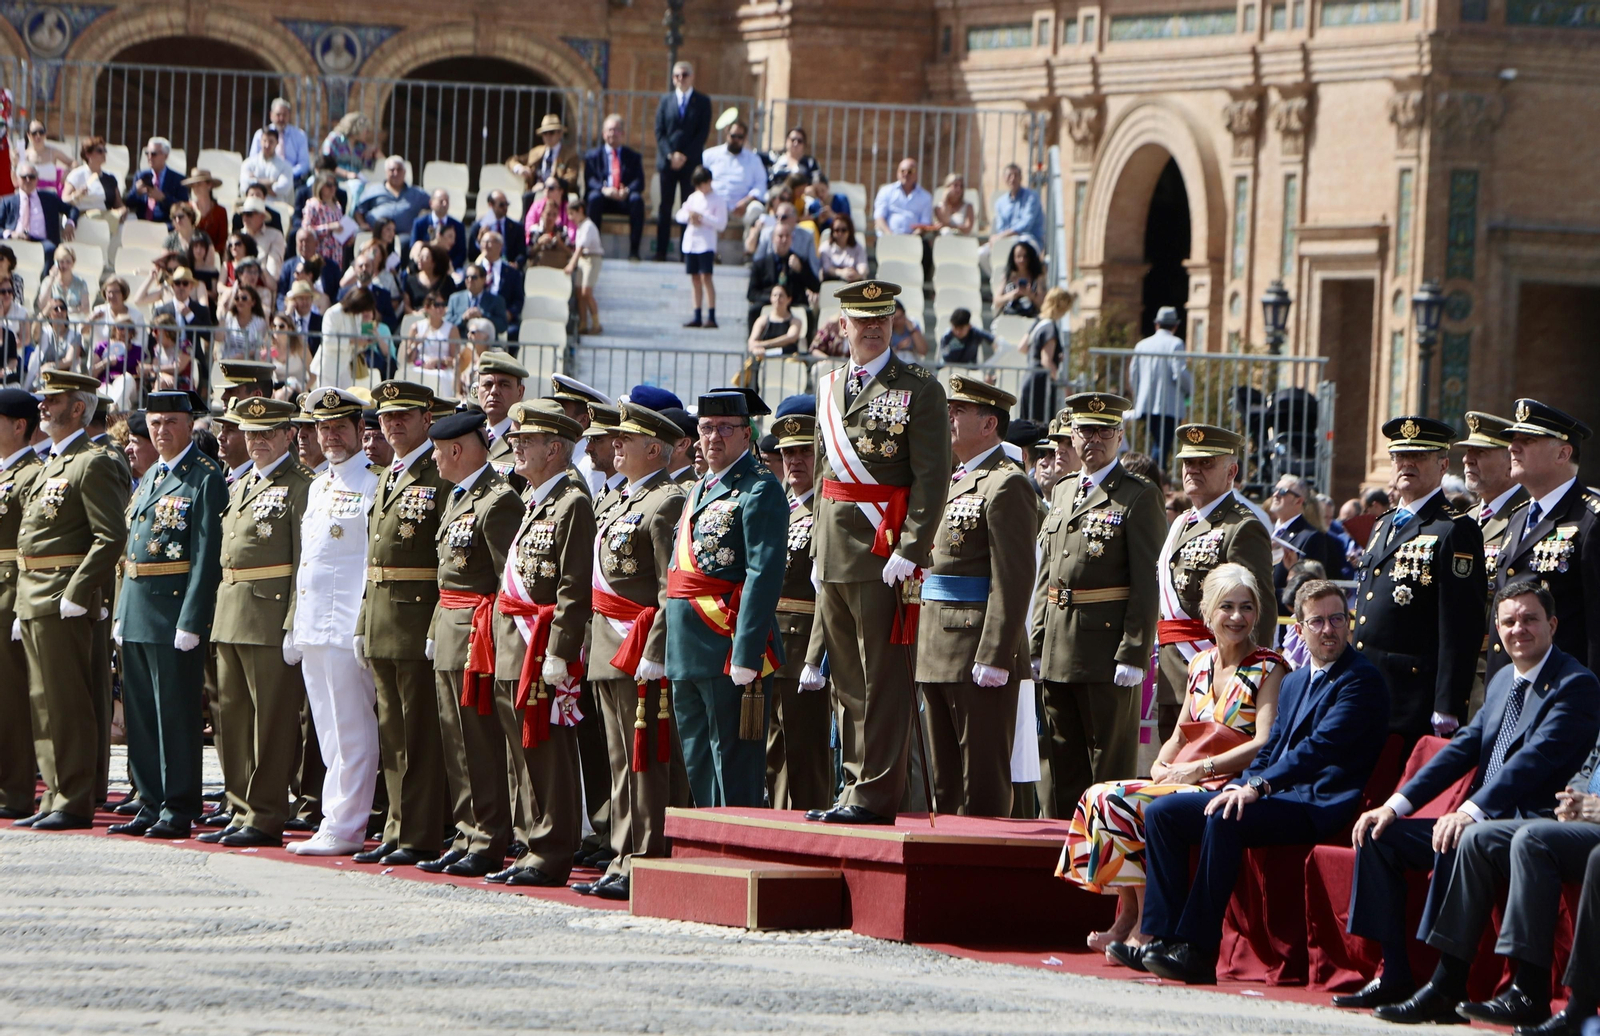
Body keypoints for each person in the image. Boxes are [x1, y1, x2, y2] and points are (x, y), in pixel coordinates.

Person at [1342, 579, 1600, 1021]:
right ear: (1496, 630)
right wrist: (1395, 804)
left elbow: (1534, 762)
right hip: (1484, 818)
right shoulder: (1502, 680)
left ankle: (1447, 983)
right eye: (1509, 621)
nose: (1519, 629)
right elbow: (1462, 749)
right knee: (1381, 837)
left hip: (1529, 819)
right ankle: (1394, 972)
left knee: (1462, 837)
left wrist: (1468, 810)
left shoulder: (1575, 683)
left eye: (1530, 619)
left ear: (1553, 624)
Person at [1131, 578, 1390, 984]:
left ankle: (1198, 949)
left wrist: (1257, 788)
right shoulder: (1295, 681)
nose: (1328, 629)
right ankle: (1162, 939)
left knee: (1226, 819)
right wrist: (1243, 783)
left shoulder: (1360, 680)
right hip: (1275, 795)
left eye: (1337, 619)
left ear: (1348, 624)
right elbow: (1269, 749)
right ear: (1300, 630)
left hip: (1318, 804)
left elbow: (1317, 750)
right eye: (1317, 621)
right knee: (1164, 813)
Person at [1069, 562, 1284, 963]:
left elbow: (1263, 742)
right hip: (1186, 776)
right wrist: (1160, 768)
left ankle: (1145, 928)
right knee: (1099, 795)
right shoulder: (1199, 664)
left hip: (1226, 784)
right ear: (1208, 613)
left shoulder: (1269, 666)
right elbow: (1179, 732)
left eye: (1247, 607)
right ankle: (1127, 918)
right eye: (1227, 607)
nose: (1238, 617)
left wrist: (1199, 770)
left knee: (1120, 801)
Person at [799, 279, 950, 825]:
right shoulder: (828, 385)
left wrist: (911, 548)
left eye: (881, 318)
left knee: (882, 680)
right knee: (846, 680)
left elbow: (932, 479)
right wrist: (818, 549)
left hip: (883, 552)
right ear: (843, 325)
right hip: (835, 552)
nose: (871, 327)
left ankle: (877, 792)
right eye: (861, 320)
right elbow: (822, 476)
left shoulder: (918, 388)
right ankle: (852, 784)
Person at [1031, 392, 1165, 818]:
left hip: (1107, 649)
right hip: (1057, 644)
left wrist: (1134, 650)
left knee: (1107, 765)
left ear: (1120, 436)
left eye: (1105, 430)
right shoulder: (1065, 488)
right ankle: (1057, 848)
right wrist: (1036, 640)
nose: (1094, 439)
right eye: (1086, 430)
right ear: (1073, 434)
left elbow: (1148, 581)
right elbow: (1047, 574)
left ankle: (1105, 857)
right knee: (1059, 759)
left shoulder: (1138, 496)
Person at [577, 401, 688, 900]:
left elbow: (670, 588)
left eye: (626, 438)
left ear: (654, 449)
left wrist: (657, 648)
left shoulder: (665, 501)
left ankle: (642, 855)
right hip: (607, 644)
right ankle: (621, 853)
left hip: (637, 645)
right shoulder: (620, 497)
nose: (613, 444)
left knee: (642, 759)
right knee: (618, 759)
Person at [914, 378, 1039, 817]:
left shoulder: (1007, 485)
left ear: (989, 424)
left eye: (959, 411)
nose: (948, 418)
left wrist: (996, 654)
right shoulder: (950, 481)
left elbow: (1015, 578)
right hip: (935, 647)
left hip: (976, 651)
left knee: (982, 784)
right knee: (944, 786)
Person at [194, 396, 313, 848]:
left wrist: (292, 622)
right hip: (231, 613)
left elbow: (303, 560)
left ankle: (265, 814)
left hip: (269, 614)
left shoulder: (301, 485)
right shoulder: (242, 483)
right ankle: (239, 805)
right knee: (233, 721)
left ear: (288, 435)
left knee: (272, 723)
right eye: (251, 433)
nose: (257, 441)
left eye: (267, 433)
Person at [106, 391, 226, 840]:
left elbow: (205, 552)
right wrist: (122, 611)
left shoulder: (203, 477)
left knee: (175, 712)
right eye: (155, 423)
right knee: (140, 713)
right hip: (138, 608)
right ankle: (150, 798)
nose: (161, 431)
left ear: (189, 425)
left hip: (174, 611)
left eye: (171, 422)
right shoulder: (153, 474)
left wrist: (192, 619)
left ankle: (178, 804)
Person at [487, 399, 595, 886]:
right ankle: (532, 840)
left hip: (543, 646)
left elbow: (574, 587)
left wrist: (560, 651)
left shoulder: (571, 502)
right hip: (517, 642)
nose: (515, 447)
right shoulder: (536, 499)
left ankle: (552, 849)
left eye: (525, 442)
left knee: (546, 750)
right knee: (521, 752)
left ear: (555, 448)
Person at [664, 389, 787, 808]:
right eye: (706, 428)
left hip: (727, 644)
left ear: (747, 434)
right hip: (686, 647)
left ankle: (734, 855)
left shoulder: (759, 488)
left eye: (725, 428)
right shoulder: (699, 487)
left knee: (732, 763)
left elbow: (762, 574)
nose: (713, 437)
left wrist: (747, 653)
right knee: (698, 760)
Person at [418, 410, 524, 878]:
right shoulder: (459, 497)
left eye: (439, 451)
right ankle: (465, 832)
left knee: (479, 743)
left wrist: (497, 641)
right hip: (449, 629)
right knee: (455, 742)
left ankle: (488, 837)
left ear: (457, 450)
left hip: (478, 636)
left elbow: (508, 581)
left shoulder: (498, 500)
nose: (435, 459)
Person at [350, 380, 450, 867]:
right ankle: (395, 825)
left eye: (403, 417)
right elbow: (375, 560)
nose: (393, 425)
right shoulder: (388, 473)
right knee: (392, 733)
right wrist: (362, 624)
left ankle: (419, 832)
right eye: (387, 418)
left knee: (418, 735)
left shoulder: (439, 473)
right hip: (384, 617)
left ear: (426, 420)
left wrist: (433, 624)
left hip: (417, 617)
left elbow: (448, 561)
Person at [282, 388, 382, 856]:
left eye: (340, 427)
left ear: (360, 430)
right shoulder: (318, 484)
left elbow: (369, 563)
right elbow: (310, 561)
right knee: (327, 729)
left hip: (346, 626)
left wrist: (363, 623)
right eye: (323, 429)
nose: (331, 436)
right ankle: (333, 817)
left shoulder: (373, 482)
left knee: (352, 730)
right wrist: (296, 624)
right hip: (315, 624)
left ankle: (346, 826)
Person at [1350, 416, 1486, 740]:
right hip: (1368, 682)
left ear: (1442, 465)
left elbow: (1461, 624)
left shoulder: (1453, 529)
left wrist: (1448, 702)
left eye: (1420, 456)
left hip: (1413, 694)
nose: (1407, 464)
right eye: (1400, 456)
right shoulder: (1383, 523)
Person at [1155, 425, 1276, 742]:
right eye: (1188, 463)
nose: (1194, 470)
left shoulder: (1242, 527)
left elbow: (1258, 609)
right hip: (1174, 671)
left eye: (1206, 463)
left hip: (1220, 678)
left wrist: (1248, 679)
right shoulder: (1181, 523)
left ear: (1231, 471)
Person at [1487, 399, 1600, 680]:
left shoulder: (1590, 520)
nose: (1513, 447)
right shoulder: (1517, 517)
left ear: (1563, 453)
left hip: (1563, 690)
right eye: (1513, 440)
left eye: (1528, 440)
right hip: (1508, 685)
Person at [762, 413, 830, 810]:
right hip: (770, 645)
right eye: (788, 453)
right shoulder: (779, 507)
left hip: (804, 645)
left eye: (805, 451)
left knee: (804, 756)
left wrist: (815, 657)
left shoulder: (824, 510)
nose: (795, 462)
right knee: (774, 754)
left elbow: (825, 592)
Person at [0, 388, 42, 819]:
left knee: (12, 699)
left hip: (12, 590)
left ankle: (14, 791)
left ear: (18, 426)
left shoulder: (32, 474)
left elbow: (34, 543)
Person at [653, 61, 713, 261]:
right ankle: (661, 251)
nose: (681, 78)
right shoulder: (665, 101)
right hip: (668, 163)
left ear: (692, 76)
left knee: (689, 207)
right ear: (673, 78)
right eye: (677, 75)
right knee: (665, 207)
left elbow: (702, 134)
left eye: (685, 74)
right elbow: (659, 132)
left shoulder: (703, 102)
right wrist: (671, 155)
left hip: (690, 164)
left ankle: (685, 252)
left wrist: (684, 156)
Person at [1127, 306, 1192, 468]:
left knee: (1155, 442)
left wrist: (1138, 394)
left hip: (1146, 402)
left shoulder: (1142, 344)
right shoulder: (1176, 344)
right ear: (1175, 326)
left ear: (1157, 324)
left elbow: (1133, 373)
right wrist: (1189, 390)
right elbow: (1179, 372)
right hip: (1168, 404)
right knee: (1162, 445)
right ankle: (1154, 477)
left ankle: (1152, 475)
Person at [1269, 474, 1343, 614]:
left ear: (1298, 501)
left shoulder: (1311, 536)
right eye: (1275, 489)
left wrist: (1293, 569)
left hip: (1285, 618)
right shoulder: (1269, 530)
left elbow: (1310, 589)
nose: (1276, 494)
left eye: (1283, 491)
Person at [584, 114, 647, 262]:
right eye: (610, 130)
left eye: (617, 130)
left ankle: (634, 251)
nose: (613, 133)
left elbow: (640, 181)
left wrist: (627, 191)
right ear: (603, 133)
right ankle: (594, 247)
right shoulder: (593, 156)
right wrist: (604, 189)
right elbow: (589, 179)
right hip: (604, 198)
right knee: (593, 198)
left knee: (637, 200)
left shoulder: (633, 156)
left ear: (623, 133)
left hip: (623, 199)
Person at [677, 166, 728, 330]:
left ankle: (711, 315)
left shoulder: (718, 200)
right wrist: (690, 217)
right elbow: (680, 215)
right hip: (692, 242)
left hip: (706, 243)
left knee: (706, 278)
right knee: (695, 279)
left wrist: (703, 218)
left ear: (709, 182)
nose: (700, 189)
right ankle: (697, 314)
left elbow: (721, 224)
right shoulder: (693, 197)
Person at [746, 223, 819, 332]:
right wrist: (776, 299)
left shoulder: (800, 261)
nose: (784, 240)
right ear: (773, 238)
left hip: (793, 304)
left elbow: (815, 287)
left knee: (807, 313)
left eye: (787, 236)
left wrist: (801, 270)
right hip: (769, 302)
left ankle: (807, 347)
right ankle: (753, 345)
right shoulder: (760, 264)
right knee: (754, 310)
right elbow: (751, 294)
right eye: (780, 236)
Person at [2, 161, 74, 265]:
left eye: (32, 177)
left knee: (50, 249)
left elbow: (72, 209)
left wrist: (69, 223)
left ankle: (44, 281)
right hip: (14, 240)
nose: (28, 180)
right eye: (24, 177)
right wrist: (10, 234)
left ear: (37, 179)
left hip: (42, 241)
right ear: (17, 179)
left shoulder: (49, 198)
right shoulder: (7, 201)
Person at [1018, 286, 1072, 423]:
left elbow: (1022, 347)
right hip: (1041, 385)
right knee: (1040, 427)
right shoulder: (1050, 327)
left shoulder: (1038, 323)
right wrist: (1063, 382)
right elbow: (1046, 360)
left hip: (1029, 379)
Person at [702, 121, 768, 232]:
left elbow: (761, 184)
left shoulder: (753, 159)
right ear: (727, 134)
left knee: (756, 210)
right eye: (733, 136)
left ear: (745, 138)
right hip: (714, 206)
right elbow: (700, 179)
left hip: (743, 208)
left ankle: (749, 248)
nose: (736, 139)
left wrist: (746, 202)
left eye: (740, 137)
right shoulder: (710, 155)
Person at [981, 163, 1046, 274]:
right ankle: (1000, 277)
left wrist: (1001, 236)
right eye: (1009, 176)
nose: (1013, 179)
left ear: (1021, 177)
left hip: (1028, 238)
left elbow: (1026, 224)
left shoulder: (1032, 197)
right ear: (1004, 179)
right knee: (982, 253)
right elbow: (1001, 227)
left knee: (1022, 246)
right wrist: (998, 237)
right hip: (1008, 239)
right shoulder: (1000, 203)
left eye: (1016, 175)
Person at [508, 112, 582, 202]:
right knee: (526, 198)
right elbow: (511, 160)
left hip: (558, 194)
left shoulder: (570, 154)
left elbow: (571, 178)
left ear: (560, 134)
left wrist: (548, 186)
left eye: (551, 132)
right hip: (535, 192)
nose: (548, 136)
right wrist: (519, 168)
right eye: (545, 133)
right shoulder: (536, 151)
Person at [353, 157, 430, 240]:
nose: (396, 173)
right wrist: (362, 224)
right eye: (392, 170)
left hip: (404, 236)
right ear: (386, 172)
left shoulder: (417, 193)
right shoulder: (373, 190)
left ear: (404, 172)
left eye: (399, 169)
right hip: (375, 235)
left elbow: (434, 204)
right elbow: (359, 211)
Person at [247, 97, 311, 183]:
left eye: (284, 115)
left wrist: (286, 174)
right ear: (271, 115)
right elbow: (253, 159)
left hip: (292, 180)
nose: (281, 119)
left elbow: (304, 164)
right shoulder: (260, 134)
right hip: (263, 178)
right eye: (278, 115)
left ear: (289, 116)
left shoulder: (299, 135)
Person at [124, 138, 189, 223]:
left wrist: (163, 198)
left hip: (166, 225)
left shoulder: (178, 179)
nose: (149, 157)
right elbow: (129, 203)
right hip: (141, 223)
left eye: (154, 154)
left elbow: (184, 208)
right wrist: (136, 192)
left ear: (165, 156)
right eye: (147, 153)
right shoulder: (140, 175)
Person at [565, 199, 604, 334]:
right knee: (579, 293)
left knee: (586, 292)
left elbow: (581, 247)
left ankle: (596, 323)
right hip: (583, 260)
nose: (571, 218)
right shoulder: (581, 226)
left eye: (572, 214)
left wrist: (571, 264)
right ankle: (583, 324)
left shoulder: (588, 226)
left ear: (580, 211)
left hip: (592, 259)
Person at [61, 136, 125, 217]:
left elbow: (118, 204)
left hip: (106, 218)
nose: (104, 153)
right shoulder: (76, 175)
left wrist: (123, 209)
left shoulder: (110, 178)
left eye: (104, 150)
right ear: (88, 154)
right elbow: (64, 200)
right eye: (99, 151)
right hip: (83, 218)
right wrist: (76, 195)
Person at [872, 158, 936, 237]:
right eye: (902, 171)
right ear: (897, 173)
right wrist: (889, 235)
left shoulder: (926, 197)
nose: (906, 174)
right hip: (887, 238)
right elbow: (879, 217)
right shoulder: (886, 191)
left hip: (914, 240)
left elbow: (925, 223)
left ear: (916, 174)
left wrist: (911, 239)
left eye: (910, 171)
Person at [475, 228, 524, 331]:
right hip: (478, 314)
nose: (485, 246)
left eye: (489, 242)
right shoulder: (474, 270)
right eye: (483, 242)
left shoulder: (512, 273)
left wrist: (509, 313)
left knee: (513, 332)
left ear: (500, 246)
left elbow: (518, 299)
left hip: (501, 317)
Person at [444, 263, 509, 338]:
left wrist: (482, 316)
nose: (470, 280)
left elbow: (502, 326)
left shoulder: (497, 300)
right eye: (467, 277)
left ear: (484, 279)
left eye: (474, 277)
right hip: (460, 344)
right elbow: (446, 323)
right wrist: (463, 318)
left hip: (486, 345)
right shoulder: (455, 298)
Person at [470, 190, 527, 269]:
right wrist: (480, 242)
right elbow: (471, 256)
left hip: (509, 269)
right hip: (486, 269)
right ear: (491, 205)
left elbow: (522, 253)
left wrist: (516, 264)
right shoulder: (478, 226)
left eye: (506, 204)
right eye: (501, 205)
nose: (505, 207)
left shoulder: (517, 227)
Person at [412, 189, 467, 272]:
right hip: (424, 267)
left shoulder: (458, 226)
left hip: (450, 268)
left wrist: (449, 266)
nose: (445, 204)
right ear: (431, 203)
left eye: (447, 201)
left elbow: (462, 253)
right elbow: (413, 246)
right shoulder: (420, 223)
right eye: (441, 201)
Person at [321, 111, 381, 182]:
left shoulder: (362, 147)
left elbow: (368, 169)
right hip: (334, 183)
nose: (368, 134)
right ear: (357, 128)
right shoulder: (335, 139)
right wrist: (347, 174)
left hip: (356, 185)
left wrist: (374, 154)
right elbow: (325, 164)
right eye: (366, 130)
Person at [239, 127, 295, 204]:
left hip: (276, 208)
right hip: (253, 208)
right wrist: (271, 182)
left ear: (277, 142)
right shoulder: (248, 163)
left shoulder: (286, 166)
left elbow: (283, 189)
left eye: (271, 141)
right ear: (260, 141)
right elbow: (245, 186)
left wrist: (255, 181)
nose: (267, 145)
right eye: (264, 141)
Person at [747, 282, 803, 357]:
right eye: (775, 295)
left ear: (789, 299)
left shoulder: (795, 321)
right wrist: (756, 349)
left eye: (781, 296)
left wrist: (762, 344)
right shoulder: (762, 320)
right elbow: (752, 342)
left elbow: (790, 338)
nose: (777, 299)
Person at [37, 244, 89, 316]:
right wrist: (51, 279)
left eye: (68, 262)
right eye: (61, 262)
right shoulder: (47, 281)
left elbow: (86, 308)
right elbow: (42, 305)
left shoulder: (81, 283)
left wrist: (65, 311)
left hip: (74, 322)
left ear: (73, 263)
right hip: (53, 323)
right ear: (56, 263)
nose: (64, 265)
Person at [22, 122, 72, 195]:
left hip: (50, 195)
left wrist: (68, 171)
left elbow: (74, 163)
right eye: (34, 133)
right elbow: (16, 180)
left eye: (41, 132)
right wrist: (14, 165)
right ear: (29, 135)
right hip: (31, 195)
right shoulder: (24, 155)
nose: (38, 136)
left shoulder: (53, 152)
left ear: (45, 134)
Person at [820, 211, 867, 282]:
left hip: (852, 282)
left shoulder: (858, 247)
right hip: (831, 282)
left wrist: (858, 274)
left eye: (844, 230)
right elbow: (827, 268)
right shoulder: (825, 247)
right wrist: (841, 273)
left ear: (850, 231)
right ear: (832, 232)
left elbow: (863, 266)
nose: (840, 233)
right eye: (837, 230)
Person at [888, 299, 927, 363]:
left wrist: (913, 330)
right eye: (895, 319)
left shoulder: (913, 324)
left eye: (900, 317)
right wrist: (898, 347)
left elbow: (923, 351)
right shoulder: (888, 329)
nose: (899, 321)